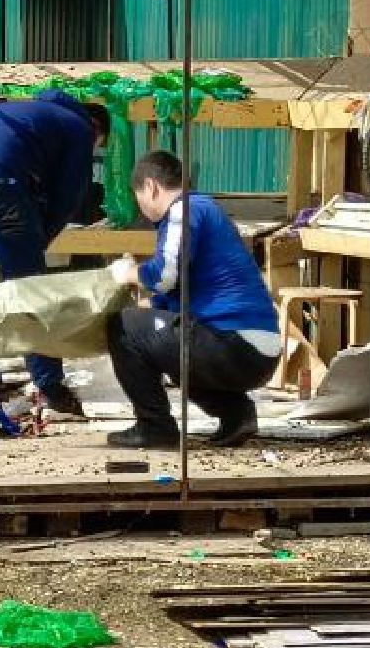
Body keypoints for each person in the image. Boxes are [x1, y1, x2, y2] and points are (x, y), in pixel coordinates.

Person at [0, 88, 111, 416]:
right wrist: (35, 241)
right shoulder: (78, 127)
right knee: (29, 287)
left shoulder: (24, 114)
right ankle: (50, 387)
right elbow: (69, 196)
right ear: (97, 129)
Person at [102, 151, 280, 449]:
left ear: (151, 187)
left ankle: (154, 426)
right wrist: (149, 308)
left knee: (121, 326)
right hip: (255, 350)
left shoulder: (182, 210)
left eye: (138, 199)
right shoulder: (205, 210)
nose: (141, 209)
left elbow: (164, 276)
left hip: (232, 343)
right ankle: (237, 415)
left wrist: (127, 273)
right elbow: (177, 292)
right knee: (164, 342)